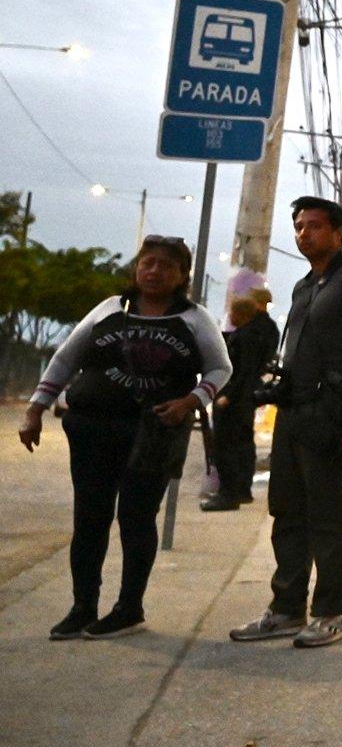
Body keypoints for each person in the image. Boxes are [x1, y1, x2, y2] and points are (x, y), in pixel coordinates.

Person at [15, 235, 232, 640]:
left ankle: (128, 607)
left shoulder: (194, 318)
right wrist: (35, 409)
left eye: (166, 266)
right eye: (148, 263)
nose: (154, 272)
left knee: (135, 519)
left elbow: (221, 369)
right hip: (94, 428)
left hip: (153, 435)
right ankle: (83, 607)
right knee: (90, 519)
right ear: (137, 267)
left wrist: (190, 401)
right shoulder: (110, 309)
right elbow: (65, 359)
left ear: (182, 276)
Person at [229, 197, 342, 649]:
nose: (304, 234)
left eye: (314, 226)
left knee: (327, 517)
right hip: (293, 412)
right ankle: (286, 609)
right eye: (298, 227)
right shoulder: (302, 287)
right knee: (287, 512)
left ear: (338, 233)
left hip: (331, 415)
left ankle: (331, 613)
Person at [201, 285, 277, 511]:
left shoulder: (248, 335)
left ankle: (229, 493)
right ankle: (241, 489)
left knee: (227, 445)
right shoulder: (263, 330)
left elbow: (242, 370)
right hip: (248, 393)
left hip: (236, 396)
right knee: (242, 443)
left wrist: (229, 396)